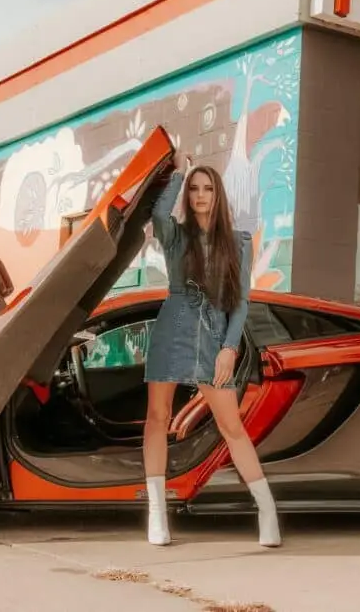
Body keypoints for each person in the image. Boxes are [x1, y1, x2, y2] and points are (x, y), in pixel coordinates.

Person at [141, 151, 281, 548]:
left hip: (214, 335)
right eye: (194, 189)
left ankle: (267, 510)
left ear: (218, 195)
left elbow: (241, 303)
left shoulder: (238, 243)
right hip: (174, 327)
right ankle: (157, 514)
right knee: (157, 418)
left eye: (207, 188)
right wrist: (179, 172)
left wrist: (229, 348)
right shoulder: (175, 236)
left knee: (231, 426)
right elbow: (158, 213)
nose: (200, 195)